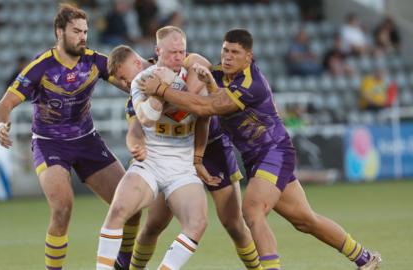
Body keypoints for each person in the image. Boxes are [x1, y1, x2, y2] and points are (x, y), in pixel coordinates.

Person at [139, 28, 381, 270]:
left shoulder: (251, 83)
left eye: (235, 52)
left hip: (274, 151)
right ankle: (365, 258)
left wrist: (161, 89)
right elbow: (193, 64)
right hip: (256, 158)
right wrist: (181, 64)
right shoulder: (221, 75)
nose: (228, 57)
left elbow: (205, 108)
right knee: (305, 220)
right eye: (225, 51)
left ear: (249, 57)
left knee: (252, 211)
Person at [0, 4, 140, 270]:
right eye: (76, 31)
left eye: (85, 31)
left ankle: (123, 265)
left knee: (132, 206)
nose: (83, 36)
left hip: (87, 140)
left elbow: (130, 85)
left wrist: (148, 88)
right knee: (62, 208)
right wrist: (1, 125)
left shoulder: (96, 61)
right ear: (59, 31)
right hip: (50, 144)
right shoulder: (40, 67)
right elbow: (4, 104)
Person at [108, 44, 261, 270]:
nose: (124, 84)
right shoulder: (137, 97)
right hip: (174, 157)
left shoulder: (176, 62)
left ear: (137, 64)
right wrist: (137, 146)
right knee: (154, 224)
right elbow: (135, 130)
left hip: (213, 146)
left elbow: (201, 72)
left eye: (122, 78)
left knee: (233, 223)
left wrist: (170, 94)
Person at [96, 26, 212, 270]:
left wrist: (167, 90)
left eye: (182, 52)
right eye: (171, 53)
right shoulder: (142, 79)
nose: (178, 57)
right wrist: (161, 93)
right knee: (119, 210)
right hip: (150, 163)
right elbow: (146, 117)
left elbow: (198, 109)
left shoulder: (194, 75)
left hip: (181, 169)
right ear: (157, 51)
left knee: (198, 223)